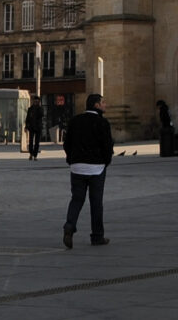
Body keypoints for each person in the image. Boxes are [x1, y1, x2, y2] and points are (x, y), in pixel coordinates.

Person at [60, 92, 114, 248]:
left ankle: (69, 226)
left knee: (77, 199)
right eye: (103, 102)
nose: (105, 105)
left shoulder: (75, 121)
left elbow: (67, 143)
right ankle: (97, 236)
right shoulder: (102, 123)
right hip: (96, 167)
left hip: (77, 166)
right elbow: (107, 145)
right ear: (96, 105)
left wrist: (71, 159)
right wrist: (106, 161)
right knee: (96, 202)